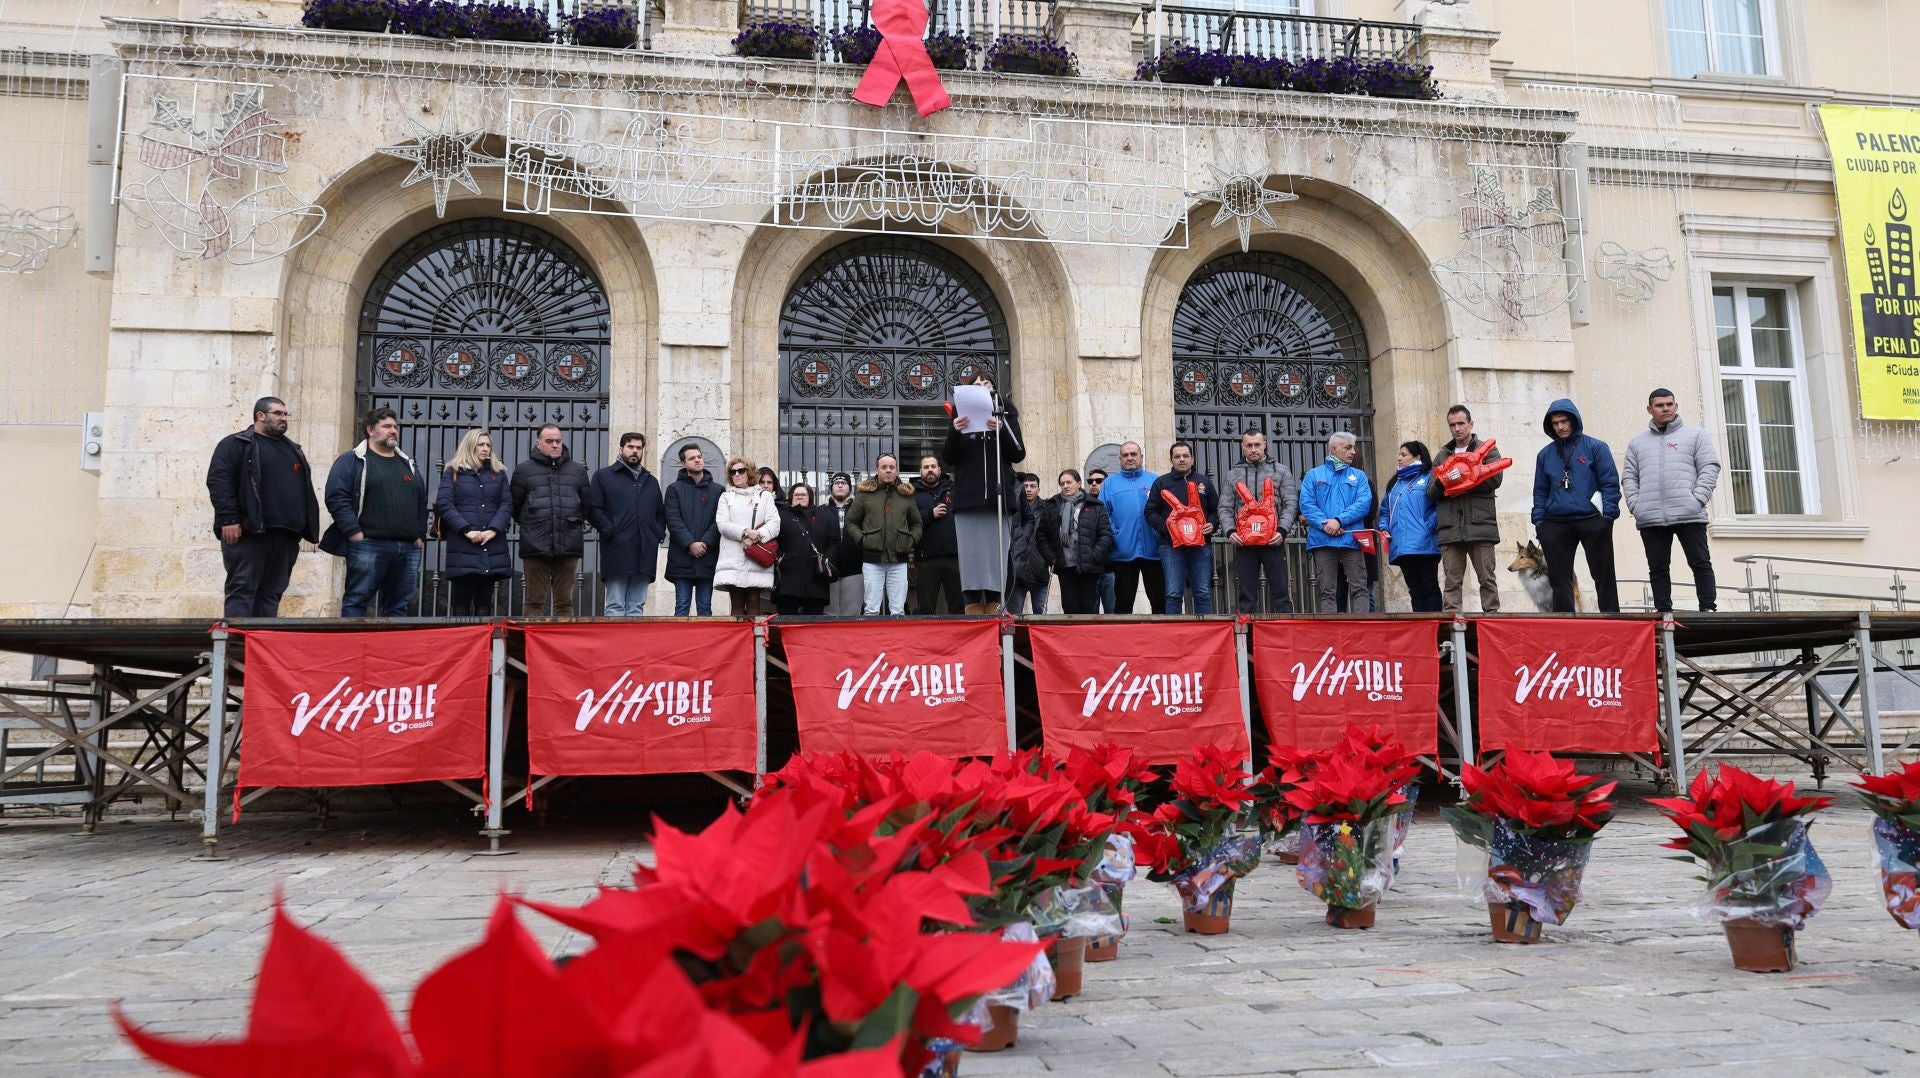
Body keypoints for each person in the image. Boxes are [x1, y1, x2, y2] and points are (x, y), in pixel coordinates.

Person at [207, 396, 320, 618]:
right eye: (278, 413)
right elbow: (219, 482)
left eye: (285, 414)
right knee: (243, 588)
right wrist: (229, 520)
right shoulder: (236, 444)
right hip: (250, 532)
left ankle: (262, 644)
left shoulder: (293, 449)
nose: (283, 418)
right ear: (260, 415)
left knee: (272, 592)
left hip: (286, 535)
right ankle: (240, 646)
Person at [321, 406, 428, 617]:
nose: (393, 431)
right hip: (368, 544)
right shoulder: (352, 460)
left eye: (395, 427)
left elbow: (421, 502)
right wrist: (353, 532)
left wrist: (419, 535)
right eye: (387, 426)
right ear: (370, 430)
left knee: (398, 606)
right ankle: (354, 648)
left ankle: (392, 650)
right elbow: (336, 497)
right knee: (357, 601)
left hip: (407, 547)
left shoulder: (408, 464)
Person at [1623, 388, 1721, 613]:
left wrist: (1697, 500)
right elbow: (1629, 477)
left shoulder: (1696, 435)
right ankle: (1663, 611)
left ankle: (1708, 608)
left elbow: (1709, 467)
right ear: (1650, 409)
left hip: (1689, 513)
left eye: (1669, 404)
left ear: (1676, 406)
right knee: (1657, 568)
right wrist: (1637, 507)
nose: (1665, 408)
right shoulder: (1637, 443)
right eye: (1659, 405)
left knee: (1700, 563)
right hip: (1651, 517)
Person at [943, 376, 1026, 614]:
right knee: (971, 561)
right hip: (969, 502)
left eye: (987, 385)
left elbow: (1018, 453)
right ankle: (972, 610)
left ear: (994, 390)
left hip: (998, 502)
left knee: (995, 560)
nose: (982, 388)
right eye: (976, 386)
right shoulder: (960, 415)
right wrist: (955, 432)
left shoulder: (1005, 413)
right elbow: (948, 458)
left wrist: (1002, 429)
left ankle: (994, 609)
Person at [1531, 398, 1621, 613]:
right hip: (1555, 522)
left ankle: (1612, 619)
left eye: (1564, 421)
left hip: (1592, 519)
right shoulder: (1545, 454)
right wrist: (1540, 522)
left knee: (1604, 575)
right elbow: (1540, 491)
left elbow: (1609, 483)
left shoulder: (1596, 448)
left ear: (1573, 421)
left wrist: (1607, 516)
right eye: (1555, 423)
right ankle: (1563, 623)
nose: (1560, 426)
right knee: (1559, 580)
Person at [511, 424, 593, 617]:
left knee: (565, 602)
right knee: (534, 601)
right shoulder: (523, 470)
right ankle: (532, 644)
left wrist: (571, 522)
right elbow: (515, 507)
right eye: (549, 441)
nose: (555, 445)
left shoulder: (577, 470)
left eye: (558, 441)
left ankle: (562, 646)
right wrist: (534, 524)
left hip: (568, 543)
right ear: (538, 443)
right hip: (535, 544)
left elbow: (586, 506)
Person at [1428, 405, 1503, 613]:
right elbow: (1430, 492)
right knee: (1451, 583)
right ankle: (1453, 627)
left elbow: (1495, 478)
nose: (1457, 428)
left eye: (1461, 423)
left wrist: (1462, 480)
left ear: (1471, 424)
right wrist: (1445, 484)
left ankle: (1492, 620)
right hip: (1450, 529)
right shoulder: (1442, 455)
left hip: (1480, 526)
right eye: (1452, 425)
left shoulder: (1487, 449)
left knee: (1487, 579)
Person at [434, 428, 512, 617]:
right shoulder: (453, 471)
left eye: (488, 445)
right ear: (470, 446)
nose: (486, 449)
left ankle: (485, 645)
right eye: (481, 445)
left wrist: (493, 530)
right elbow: (445, 503)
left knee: (485, 601)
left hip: (491, 544)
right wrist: (466, 530)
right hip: (463, 543)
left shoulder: (498, 473)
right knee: (461, 600)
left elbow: (507, 504)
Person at [1218, 429, 1297, 615]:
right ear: (1242, 447)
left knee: (1281, 594)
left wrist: (1282, 531)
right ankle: (1249, 640)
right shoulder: (1232, 474)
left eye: (1257, 445)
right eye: (1249, 445)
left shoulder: (1281, 471)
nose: (1253, 449)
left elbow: (1291, 503)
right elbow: (1224, 507)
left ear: (1265, 445)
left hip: (1274, 541)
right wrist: (1230, 532)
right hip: (1245, 543)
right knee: (1246, 596)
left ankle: (1285, 638)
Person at [589, 432, 666, 616]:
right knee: (615, 606)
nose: (635, 451)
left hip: (645, 550)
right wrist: (610, 530)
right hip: (617, 548)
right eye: (631, 447)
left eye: (639, 448)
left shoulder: (651, 481)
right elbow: (593, 509)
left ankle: (632, 645)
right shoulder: (603, 476)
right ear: (621, 448)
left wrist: (656, 534)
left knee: (636, 607)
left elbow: (660, 513)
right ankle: (613, 645)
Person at [1298, 431, 1372, 614]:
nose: (1353, 452)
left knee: (1359, 588)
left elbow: (1364, 503)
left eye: (1353, 447)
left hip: (1351, 539)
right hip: (1323, 540)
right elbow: (1306, 505)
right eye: (1348, 447)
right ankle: (1330, 631)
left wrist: (1339, 521)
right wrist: (1326, 525)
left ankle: (1361, 629)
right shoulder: (1314, 475)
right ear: (1333, 448)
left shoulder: (1359, 476)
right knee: (1327, 591)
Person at [1144, 441, 1219, 614]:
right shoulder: (1161, 483)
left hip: (1200, 545)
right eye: (1177, 456)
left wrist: (1212, 524)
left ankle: (1205, 635)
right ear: (1171, 460)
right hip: (1171, 546)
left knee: (1202, 592)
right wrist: (1168, 528)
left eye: (1185, 456)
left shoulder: (1204, 482)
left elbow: (1216, 510)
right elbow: (1150, 512)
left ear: (1192, 459)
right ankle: (1174, 637)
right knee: (1173, 594)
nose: (1182, 459)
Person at [844, 453, 922, 617]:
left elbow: (917, 523)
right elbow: (850, 522)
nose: (888, 471)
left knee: (898, 611)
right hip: (872, 561)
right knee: (871, 609)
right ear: (877, 470)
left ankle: (897, 643)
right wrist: (862, 540)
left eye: (891, 467)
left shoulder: (906, 495)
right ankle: (871, 643)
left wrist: (911, 540)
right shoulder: (865, 494)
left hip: (899, 561)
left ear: (897, 471)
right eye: (884, 467)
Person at [1100, 441, 1165, 614]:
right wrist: (1116, 535)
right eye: (1125, 455)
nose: (1130, 458)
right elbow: (1103, 515)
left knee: (1159, 602)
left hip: (1154, 552)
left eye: (1133, 454)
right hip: (1123, 553)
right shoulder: (1109, 483)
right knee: (1123, 603)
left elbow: (1165, 511)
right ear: (1120, 459)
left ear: (1141, 457)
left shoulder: (1155, 480)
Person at [1379, 441, 1442, 612]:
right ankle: (1421, 630)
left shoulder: (1430, 476)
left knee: (1429, 587)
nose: (1399, 458)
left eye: (1403, 455)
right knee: (1414, 590)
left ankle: (1436, 628)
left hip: (1425, 544)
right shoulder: (1395, 483)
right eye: (1399, 454)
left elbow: (1440, 505)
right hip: (1402, 546)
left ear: (1417, 457)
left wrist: (1427, 526)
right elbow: (1384, 510)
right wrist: (1384, 528)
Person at [714, 456, 781, 616]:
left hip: (755, 556)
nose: (736, 474)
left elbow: (774, 523)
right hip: (733, 555)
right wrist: (745, 532)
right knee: (736, 606)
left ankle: (755, 641)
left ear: (749, 473)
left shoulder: (764, 496)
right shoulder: (726, 496)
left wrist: (756, 535)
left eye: (741, 470)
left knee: (754, 604)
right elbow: (722, 524)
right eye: (733, 472)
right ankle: (737, 641)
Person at [1041, 469, 1114, 614]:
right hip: (1065, 565)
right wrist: (1051, 557)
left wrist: (1095, 555)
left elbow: (1105, 535)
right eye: (1062, 483)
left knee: (1088, 608)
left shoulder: (1095, 505)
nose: (1065, 486)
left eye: (1069, 482)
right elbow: (1042, 535)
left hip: (1088, 565)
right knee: (1069, 607)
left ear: (1079, 483)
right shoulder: (1052, 505)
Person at [664, 444, 721, 616]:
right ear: (683, 463)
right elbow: (673, 520)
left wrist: (705, 542)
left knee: (705, 608)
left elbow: (719, 521)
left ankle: (706, 643)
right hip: (682, 557)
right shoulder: (674, 489)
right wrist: (690, 543)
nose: (697, 460)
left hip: (708, 556)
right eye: (691, 458)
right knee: (682, 606)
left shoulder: (718, 490)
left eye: (699, 456)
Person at [774, 482, 834, 616]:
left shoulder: (823, 517)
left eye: (803, 494)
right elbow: (772, 540)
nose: (800, 497)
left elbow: (834, 542)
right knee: (787, 622)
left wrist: (826, 560)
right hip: (788, 578)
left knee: (813, 624)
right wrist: (780, 558)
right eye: (796, 494)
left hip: (816, 579)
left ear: (810, 497)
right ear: (790, 497)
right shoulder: (780, 516)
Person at [912, 454, 961, 615]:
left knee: (958, 606)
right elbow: (906, 521)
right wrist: (929, 515)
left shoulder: (953, 490)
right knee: (926, 608)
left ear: (939, 470)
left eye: (933, 466)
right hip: (926, 559)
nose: (930, 470)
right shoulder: (912, 494)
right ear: (920, 472)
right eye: (926, 467)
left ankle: (958, 639)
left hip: (954, 558)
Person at [819, 472, 865, 616]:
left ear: (850, 488)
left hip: (855, 568)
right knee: (829, 614)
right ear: (831, 488)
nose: (840, 485)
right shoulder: (821, 510)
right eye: (836, 483)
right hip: (829, 568)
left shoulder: (860, 510)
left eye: (844, 483)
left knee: (852, 613)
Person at [1005, 473, 1049, 615]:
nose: (1028, 489)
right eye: (1025, 486)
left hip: (1039, 571)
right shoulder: (1014, 509)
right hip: (1018, 572)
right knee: (1015, 615)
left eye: (1032, 486)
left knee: (1041, 616)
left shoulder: (1047, 509)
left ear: (1038, 489)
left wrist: (1047, 560)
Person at [1086, 468, 1118, 613]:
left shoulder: (1114, 504)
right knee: (1090, 615)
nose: (1094, 484)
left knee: (1112, 613)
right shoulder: (1083, 506)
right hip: (1090, 570)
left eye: (1099, 481)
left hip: (1110, 568)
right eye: (1090, 481)